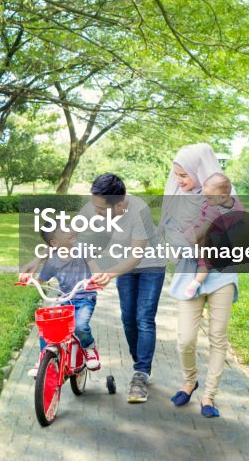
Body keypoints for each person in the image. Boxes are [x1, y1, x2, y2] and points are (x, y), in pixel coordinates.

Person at [160, 144, 239, 419]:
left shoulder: (224, 194)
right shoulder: (176, 198)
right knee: (185, 340)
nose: (179, 180)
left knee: (218, 337)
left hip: (221, 276)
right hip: (188, 274)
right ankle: (189, 379)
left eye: (184, 175)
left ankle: (209, 396)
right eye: (177, 174)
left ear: (199, 170)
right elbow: (172, 235)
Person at [84, 173, 166, 404]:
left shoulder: (138, 211)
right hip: (124, 265)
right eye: (94, 205)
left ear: (120, 205)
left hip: (151, 265)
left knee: (144, 318)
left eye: (101, 209)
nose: (96, 212)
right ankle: (140, 361)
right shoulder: (99, 207)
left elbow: (137, 256)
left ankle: (140, 373)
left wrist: (109, 273)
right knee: (128, 318)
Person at [23, 226, 101, 376]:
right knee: (47, 324)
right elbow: (40, 279)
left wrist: (97, 278)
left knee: (80, 325)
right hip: (66, 298)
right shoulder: (53, 261)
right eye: (65, 231)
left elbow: (95, 269)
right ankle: (43, 357)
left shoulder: (83, 249)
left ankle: (89, 348)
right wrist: (30, 280)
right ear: (54, 242)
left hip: (85, 297)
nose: (72, 230)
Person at [184, 172, 244, 299]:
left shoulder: (215, 209)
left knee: (204, 263)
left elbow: (203, 230)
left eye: (209, 198)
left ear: (222, 197)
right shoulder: (232, 205)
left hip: (210, 240)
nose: (207, 200)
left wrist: (192, 240)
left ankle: (195, 283)